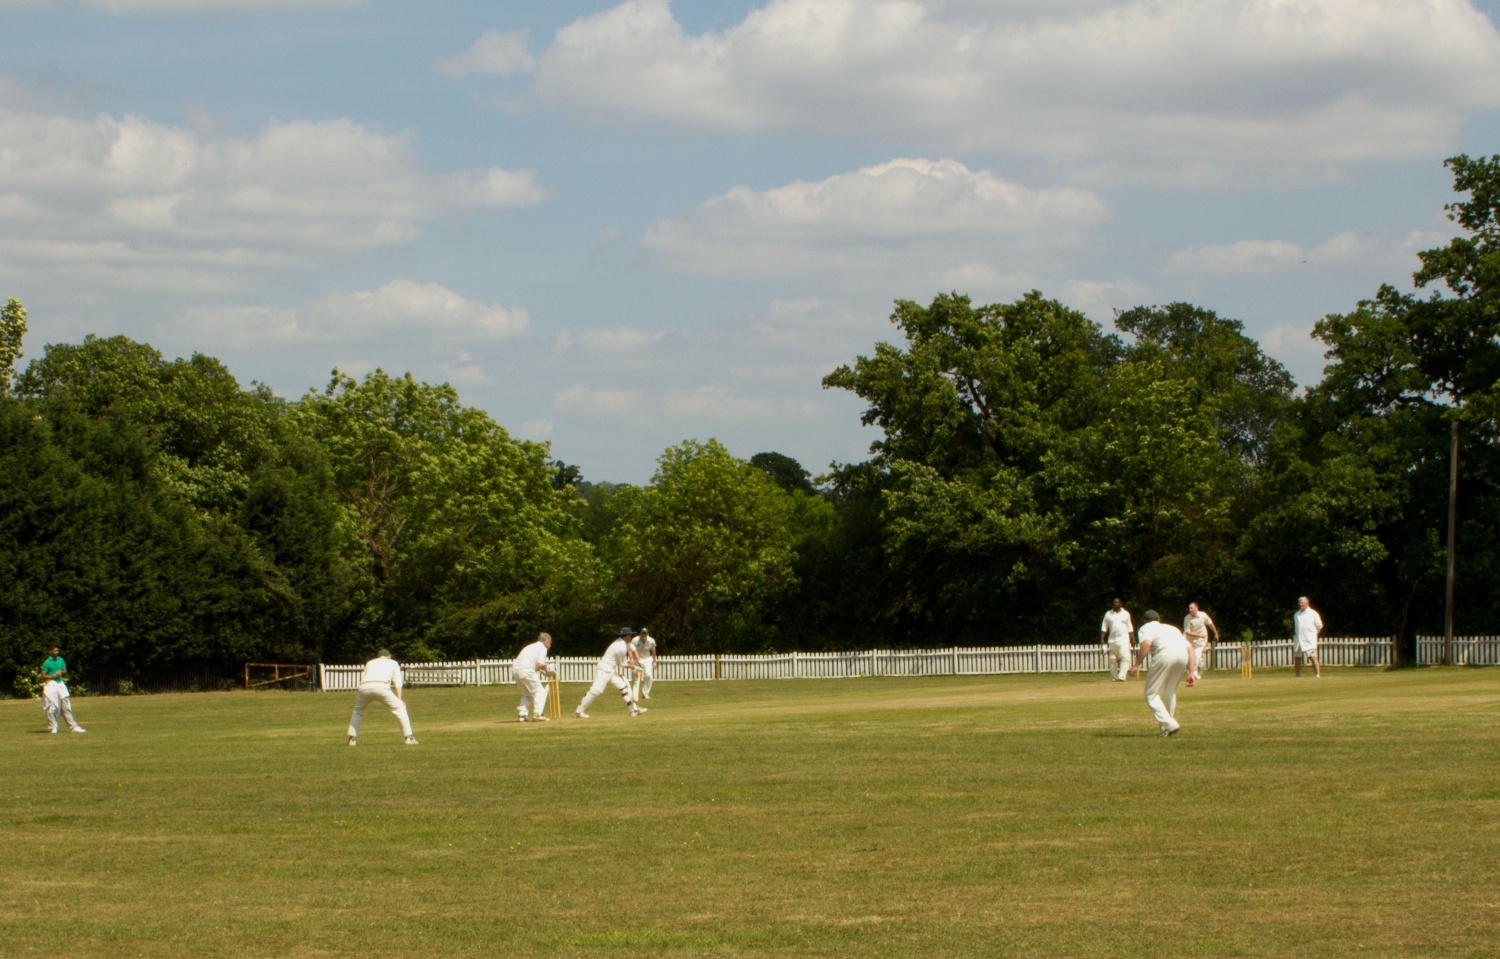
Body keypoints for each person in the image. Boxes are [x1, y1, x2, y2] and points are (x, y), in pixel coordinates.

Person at [1129, 610, 1198, 737]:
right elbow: (1190, 649)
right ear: (1159, 620)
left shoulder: (1145, 628)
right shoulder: (1172, 628)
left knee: (1151, 694)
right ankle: (1166, 729)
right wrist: (1191, 672)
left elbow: (1147, 644)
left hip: (1164, 654)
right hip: (1182, 655)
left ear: (1144, 620)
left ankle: (1169, 723)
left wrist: (1136, 664)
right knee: (1170, 692)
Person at [347, 649, 417, 746]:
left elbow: (365, 676)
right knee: (400, 708)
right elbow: (397, 682)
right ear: (388, 656)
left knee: (358, 711)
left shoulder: (370, 663)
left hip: (364, 686)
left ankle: (352, 739)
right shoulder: (393, 663)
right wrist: (399, 699)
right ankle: (409, 738)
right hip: (381, 686)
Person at [576, 628, 645, 719]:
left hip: (611, 670)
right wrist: (635, 667)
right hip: (604, 669)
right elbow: (623, 664)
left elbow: (631, 647)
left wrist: (637, 660)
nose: (631, 636)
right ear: (627, 636)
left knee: (623, 687)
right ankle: (579, 711)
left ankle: (633, 710)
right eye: (630, 635)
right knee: (596, 690)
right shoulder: (621, 647)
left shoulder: (621, 642)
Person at [40, 645, 85, 734]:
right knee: (51, 707)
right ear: (50, 651)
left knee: (66, 707)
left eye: (57, 651)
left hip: (60, 684)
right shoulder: (47, 662)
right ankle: (53, 727)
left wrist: (61, 672)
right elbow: (43, 676)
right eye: (55, 651)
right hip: (51, 685)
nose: (56, 652)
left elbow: (65, 671)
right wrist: (53, 676)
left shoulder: (61, 660)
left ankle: (73, 727)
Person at [514, 632, 554, 722]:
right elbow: (540, 665)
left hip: (516, 671)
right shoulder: (543, 648)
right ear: (547, 642)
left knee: (527, 694)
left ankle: (522, 715)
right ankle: (537, 714)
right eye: (550, 644)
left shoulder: (530, 646)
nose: (550, 646)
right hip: (526, 670)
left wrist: (544, 671)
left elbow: (536, 666)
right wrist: (548, 667)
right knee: (539, 691)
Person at [1099, 598, 1135, 681]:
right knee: (1112, 658)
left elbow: (1130, 626)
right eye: (1114, 602)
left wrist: (1132, 638)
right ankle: (1114, 677)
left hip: (1124, 638)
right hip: (1112, 639)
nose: (1115, 604)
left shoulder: (1126, 613)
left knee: (1124, 656)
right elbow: (1104, 627)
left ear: (1120, 604)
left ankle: (1121, 677)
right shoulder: (1108, 614)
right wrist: (1102, 638)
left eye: (1117, 602)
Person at [1182, 602, 1220, 677]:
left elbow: (1210, 624)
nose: (1190, 610)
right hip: (1189, 640)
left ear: (1196, 608)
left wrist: (1216, 633)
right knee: (1188, 657)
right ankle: (1200, 664)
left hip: (1200, 640)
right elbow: (1187, 632)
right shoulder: (1187, 618)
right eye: (1189, 608)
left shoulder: (1203, 615)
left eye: (1191, 608)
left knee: (1196, 654)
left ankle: (1194, 672)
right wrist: (1199, 635)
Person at [1292, 596, 1323, 678]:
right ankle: (1297, 676)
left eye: (1302, 602)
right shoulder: (1296, 614)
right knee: (1297, 658)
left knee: (1313, 657)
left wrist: (1313, 634)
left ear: (1307, 603)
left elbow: (1319, 626)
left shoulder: (1313, 613)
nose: (1300, 604)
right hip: (1298, 640)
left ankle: (1317, 674)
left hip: (1309, 640)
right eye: (1299, 603)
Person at [630, 627, 657, 700]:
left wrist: (654, 661)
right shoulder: (635, 640)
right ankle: (634, 694)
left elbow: (653, 651)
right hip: (637, 659)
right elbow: (630, 649)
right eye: (643, 633)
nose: (644, 635)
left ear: (648, 634)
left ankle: (645, 693)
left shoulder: (651, 641)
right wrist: (632, 659)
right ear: (640, 634)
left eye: (645, 634)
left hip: (647, 659)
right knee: (636, 677)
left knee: (648, 675)